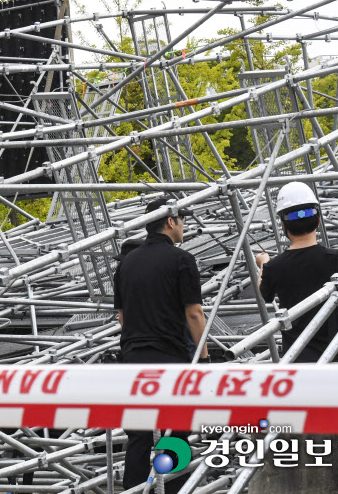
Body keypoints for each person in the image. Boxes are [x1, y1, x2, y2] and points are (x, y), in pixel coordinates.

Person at [113, 198, 209, 494]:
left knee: (139, 435)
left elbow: (122, 317)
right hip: (170, 356)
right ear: (170, 221)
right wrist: (203, 360)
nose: (184, 226)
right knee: (175, 431)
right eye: (182, 220)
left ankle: (133, 490)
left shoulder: (126, 262)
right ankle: (177, 488)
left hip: (133, 357)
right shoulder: (181, 259)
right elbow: (194, 312)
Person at [256, 181, 338, 363]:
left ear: (283, 225)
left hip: (299, 359)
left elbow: (265, 294)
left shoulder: (275, 267)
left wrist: (263, 264)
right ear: (318, 220)